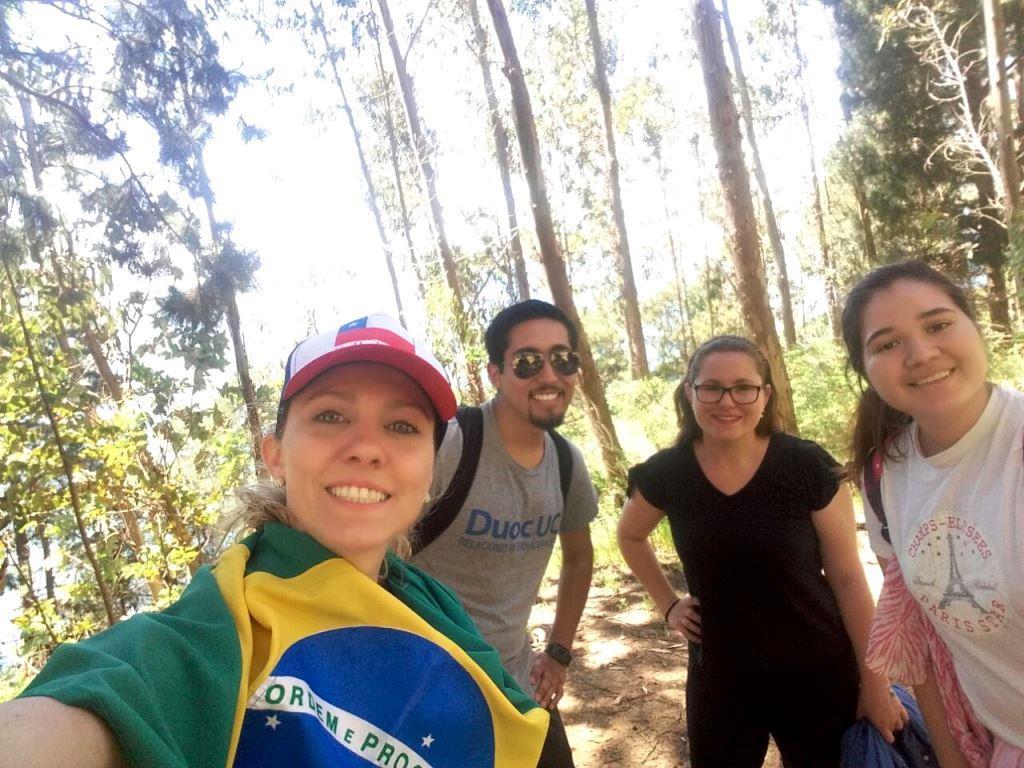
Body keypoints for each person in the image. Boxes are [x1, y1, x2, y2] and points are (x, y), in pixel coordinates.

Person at [0, 314, 566, 768]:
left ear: (428, 469)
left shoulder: (433, 605)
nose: (368, 447)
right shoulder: (225, 620)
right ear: (275, 455)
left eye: (402, 426)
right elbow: (92, 707)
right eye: (331, 415)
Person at [617, 335, 907, 768]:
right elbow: (630, 537)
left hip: (818, 673)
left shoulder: (806, 467)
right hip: (721, 677)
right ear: (690, 393)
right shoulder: (667, 473)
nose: (727, 400)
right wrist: (669, 605)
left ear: (765, 395)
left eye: (743, 387)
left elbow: (848, 579)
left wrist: (875, 684)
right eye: (711, 387)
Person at [841, 261, 1024, 768]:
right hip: (989, 739)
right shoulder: (885, 474)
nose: (921, 353)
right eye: (887, 344)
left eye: (938, 324)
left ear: (974, 326)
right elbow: (920, 627)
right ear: (865, 370)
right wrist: (949, 755)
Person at [411, 300, 598, 759]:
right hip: (425, 688)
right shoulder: (450, 444)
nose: (549, 375)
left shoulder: (567, 464)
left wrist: (559, 651)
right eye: (528, 362)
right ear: (495, 373)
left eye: (563, 359)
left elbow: (579, 556)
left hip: (515, 683)